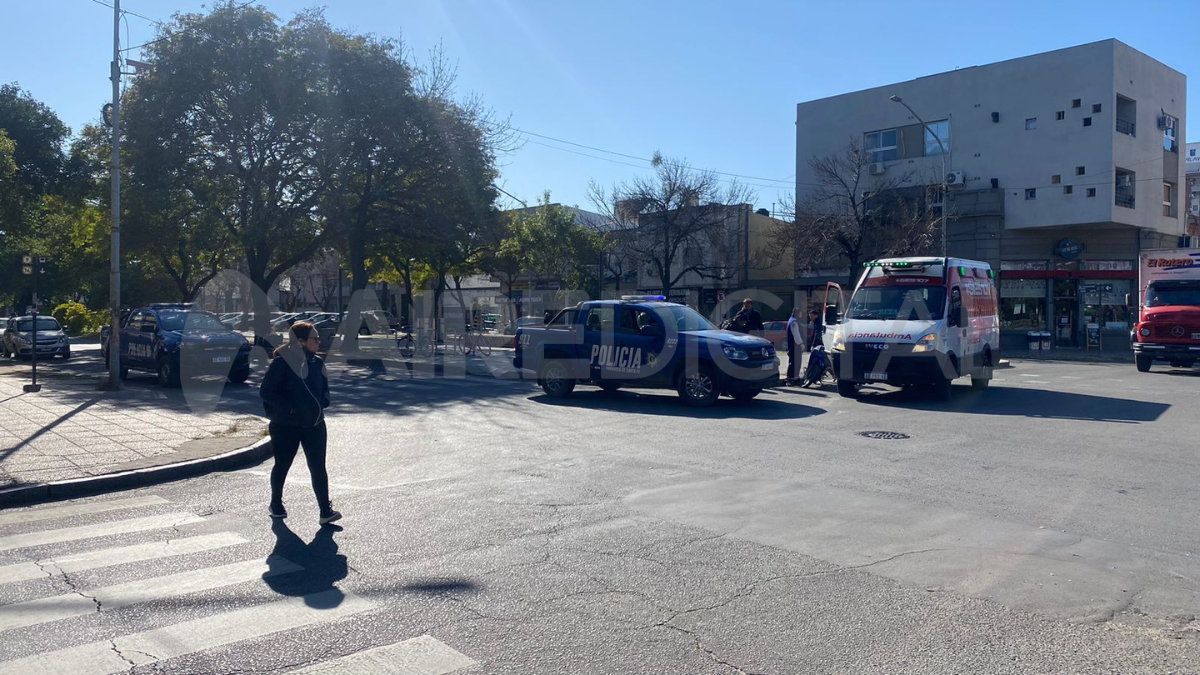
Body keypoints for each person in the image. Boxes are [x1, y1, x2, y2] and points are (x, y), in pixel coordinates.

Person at [259, 321, 341, 525]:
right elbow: (266, 392)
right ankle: (276, 503)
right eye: (315, 338)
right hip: (286, 425)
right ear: (302, 341)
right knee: (283, 464)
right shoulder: (282, 363)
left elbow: (324, 390)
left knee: (318, 467)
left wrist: (323, 403)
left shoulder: (317, 363)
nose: (319, 342)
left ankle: (325, 510)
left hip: (314, 424)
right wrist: (291, 409)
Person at [785, 308, 806, 385]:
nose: (801, 315)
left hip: (792, 346)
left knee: (793, 362)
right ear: (797, 314)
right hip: (795, 346)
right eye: (800, 313)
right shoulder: (794, 322)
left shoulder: (791, 320)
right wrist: (801, 344)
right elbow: (796, 335)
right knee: (795, 362)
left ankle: (792, 377)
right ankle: (792, 378)